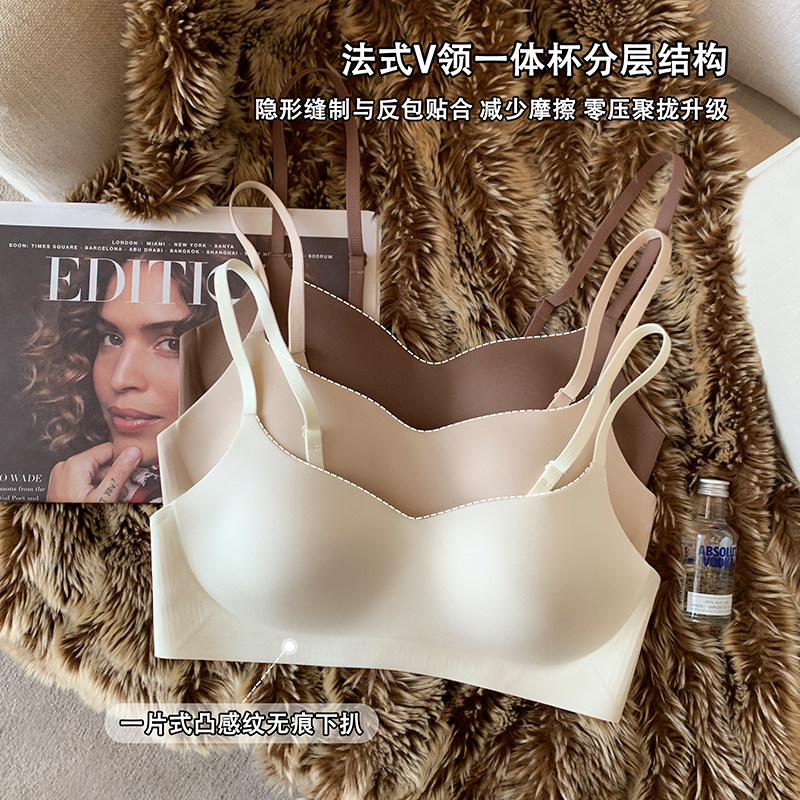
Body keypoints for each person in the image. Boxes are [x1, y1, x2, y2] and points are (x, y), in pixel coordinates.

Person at [20, 256, 217, 503]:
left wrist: (71, 523)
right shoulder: (72, 487)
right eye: (112, 338)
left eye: (171, 344)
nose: (119, 379)